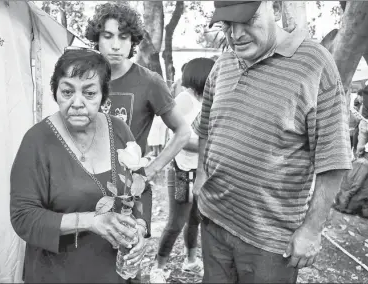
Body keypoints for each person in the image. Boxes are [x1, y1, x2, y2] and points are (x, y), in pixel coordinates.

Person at [192, 1, 351, 283]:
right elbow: (206, 127)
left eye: (247, 21)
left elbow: (334, 159)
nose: (236, 35)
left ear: (273, 7)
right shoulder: (224, 63)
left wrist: (312, 230)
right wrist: (201, 177)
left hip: (268, 241)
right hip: (213, 218)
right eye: (228, 24)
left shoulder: (314, 63)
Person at [10, 49, 150, 283]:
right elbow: (23, 217)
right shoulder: (37, 141)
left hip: (113, 273)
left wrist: (140, 228)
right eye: (67, 91)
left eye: (89, 93)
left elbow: (141, 187)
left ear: (104, 96)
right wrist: (91, 221)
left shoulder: (120, 130)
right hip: (58, 274)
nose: (77, 103)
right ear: (55, 92)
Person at [85, 2, 191, 183]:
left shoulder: (149, 82)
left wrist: (151, 170)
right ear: (97, 39)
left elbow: (183, 131)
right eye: (108, 36)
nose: (116, 45)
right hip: (85, 184)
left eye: (124, 37)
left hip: (128, 193)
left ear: (132, 40)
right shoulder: (83, 78)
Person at [150, 58, 215, 283]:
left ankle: (190, 261)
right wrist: (210, 145)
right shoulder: (185, 100)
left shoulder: (208, 100)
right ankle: (158, 267)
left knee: (195, 218)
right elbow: (179, 138)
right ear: (203, 77)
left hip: (200, 172)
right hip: (181, 171)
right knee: (177, 221)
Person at [333, 140, 368, 218]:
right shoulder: (362, 164)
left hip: (361, 202)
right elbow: (350, 188)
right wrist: (343, 207)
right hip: (355, 206)